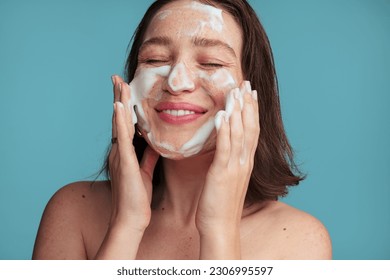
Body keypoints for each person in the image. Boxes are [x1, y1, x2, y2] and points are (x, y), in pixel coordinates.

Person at [32, 0, 332, 260]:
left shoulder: (299, 240)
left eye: (211, 63)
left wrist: (219, 230)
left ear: (253, 94)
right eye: (155, 59)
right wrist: (126, 224)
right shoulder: (73, 212)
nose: (176, 82)